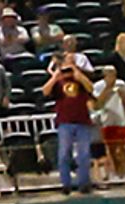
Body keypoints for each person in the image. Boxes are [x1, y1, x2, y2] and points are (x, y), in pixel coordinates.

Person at [44, 46, 91, 190]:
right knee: (64, 154)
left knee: (84, 154)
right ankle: (66, 183)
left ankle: (83, 182)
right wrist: (55, 77)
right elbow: (45, 92)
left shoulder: (81, 79)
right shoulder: (59, 82)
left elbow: (90, 88)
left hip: (82, 120)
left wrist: (78, 74)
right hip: (65, 121)